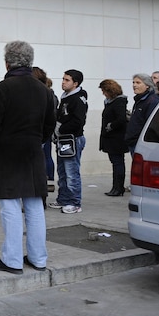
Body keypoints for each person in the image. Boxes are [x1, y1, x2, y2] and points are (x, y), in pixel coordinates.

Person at [0, 40, 56, 274]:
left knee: (10, 207)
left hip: (6, 154)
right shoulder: (44, 90)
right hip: (33, 153)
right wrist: (36, 142)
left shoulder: (1, 89)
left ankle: (12, 260)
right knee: (35, 206)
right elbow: (49, 126)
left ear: (7, 63)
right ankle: (38, 258)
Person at [48, 69, 88, 214]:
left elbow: (78, 121)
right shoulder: (65, 97)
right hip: (62, 140)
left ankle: (74, 202)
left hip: (73, 140)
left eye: (67, 80)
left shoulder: (78, 99)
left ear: (75, 83)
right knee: (62, 172)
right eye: (63, 79)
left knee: (72, 172)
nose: (63, 82)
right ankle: (63, 199)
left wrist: (61, 129)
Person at [97, 79, 128, 197]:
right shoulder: (110, 102)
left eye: (104, 91)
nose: (103, 93)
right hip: (112, 138)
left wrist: (110, 126)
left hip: (116, 138)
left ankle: (118, 187)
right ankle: (117, 187)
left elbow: (121, 119)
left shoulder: (119, 102)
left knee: (117, 163)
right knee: (116, 163)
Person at [32, 67, 57, 192]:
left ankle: (48, 181)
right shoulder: (49, 94)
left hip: (41, 133)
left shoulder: (46, 95)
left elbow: (50, 117)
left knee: (44, 158)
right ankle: (48, 181)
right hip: (42, 132)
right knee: (46, 157)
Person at [125, 73, 159, 154]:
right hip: (133, 142)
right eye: (133, 82)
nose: (134, 85)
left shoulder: (152, 101)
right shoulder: (139, 100)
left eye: (138, 83)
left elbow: (151, 124)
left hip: (142, 145)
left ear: (147, 85)